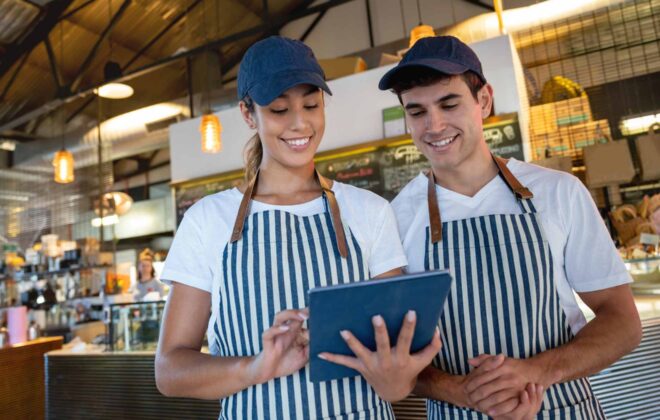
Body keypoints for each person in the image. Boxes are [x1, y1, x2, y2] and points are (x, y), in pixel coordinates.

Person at [155, 36, 440, 419]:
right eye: (278, 109)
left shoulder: (369, 211)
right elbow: (170, 371)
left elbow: (398, 378)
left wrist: (395, 379)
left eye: (311, 104)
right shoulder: (208, 219)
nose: (299, 123)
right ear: (247, 114)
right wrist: (256, 368)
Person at [377, 36, 642, 419]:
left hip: (561, 409)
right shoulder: (395, 218)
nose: (433, 125)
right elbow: (392, 356)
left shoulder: (558, 192)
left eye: (449, 104)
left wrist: (533, 373)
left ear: (483, 100)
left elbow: (622, 322)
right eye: (417, 111)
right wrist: (459, 390)